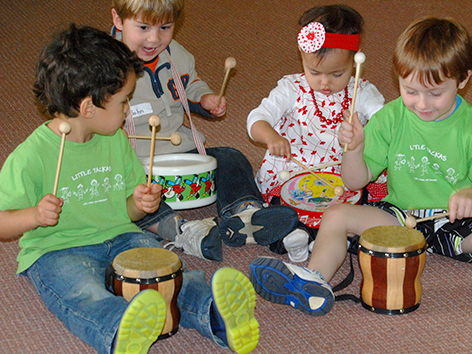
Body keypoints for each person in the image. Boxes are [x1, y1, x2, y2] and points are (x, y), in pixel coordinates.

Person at [0, 24, 259, 354]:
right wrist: (34, 215)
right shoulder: (30, 156)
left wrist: (140, 203)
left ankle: (216, 312)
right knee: (80, 292)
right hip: (57, 249)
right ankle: (121, 331)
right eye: (124, 102)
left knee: (168, 272)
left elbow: (126, 210)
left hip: (121, 235)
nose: (127, 110)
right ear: (88, 108)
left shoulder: (115, 139)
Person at [249, 16, 472, 317]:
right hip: (400, 218)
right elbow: (355, 182)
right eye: (410, 91)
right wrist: (353, 150)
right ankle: (313, 281)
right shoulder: (390, 118)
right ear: (398, 79)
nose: (421, 104)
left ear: (463, 80)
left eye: (435, 93)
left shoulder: (468, 126)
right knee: (337, 214)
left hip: (457, 222)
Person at [110, 0, 298, 258]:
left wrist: (205, 98)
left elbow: (190, 86)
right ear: (118, 21)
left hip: (182, 148)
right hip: (135, 161)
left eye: (165, 27)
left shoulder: (177, 54)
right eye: (143, 27)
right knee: (127, 198)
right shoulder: (103, 63)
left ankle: (246, 213)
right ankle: (182, 231)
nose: (154, 38)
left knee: (229, 157)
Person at [246, 5, 384, 262]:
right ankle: (297, 235)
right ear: (301, 59)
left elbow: (386, 123)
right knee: (281, 206)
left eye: (336, 74)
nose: (324, 83)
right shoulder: (291, 88)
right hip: (295, 170)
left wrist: (365, 135)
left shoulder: (362, 92)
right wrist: (271, 137)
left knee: (364, 203)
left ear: (354, 62)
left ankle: (322, 237)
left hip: (344, 175)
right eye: (314, 72)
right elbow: (257, 118)